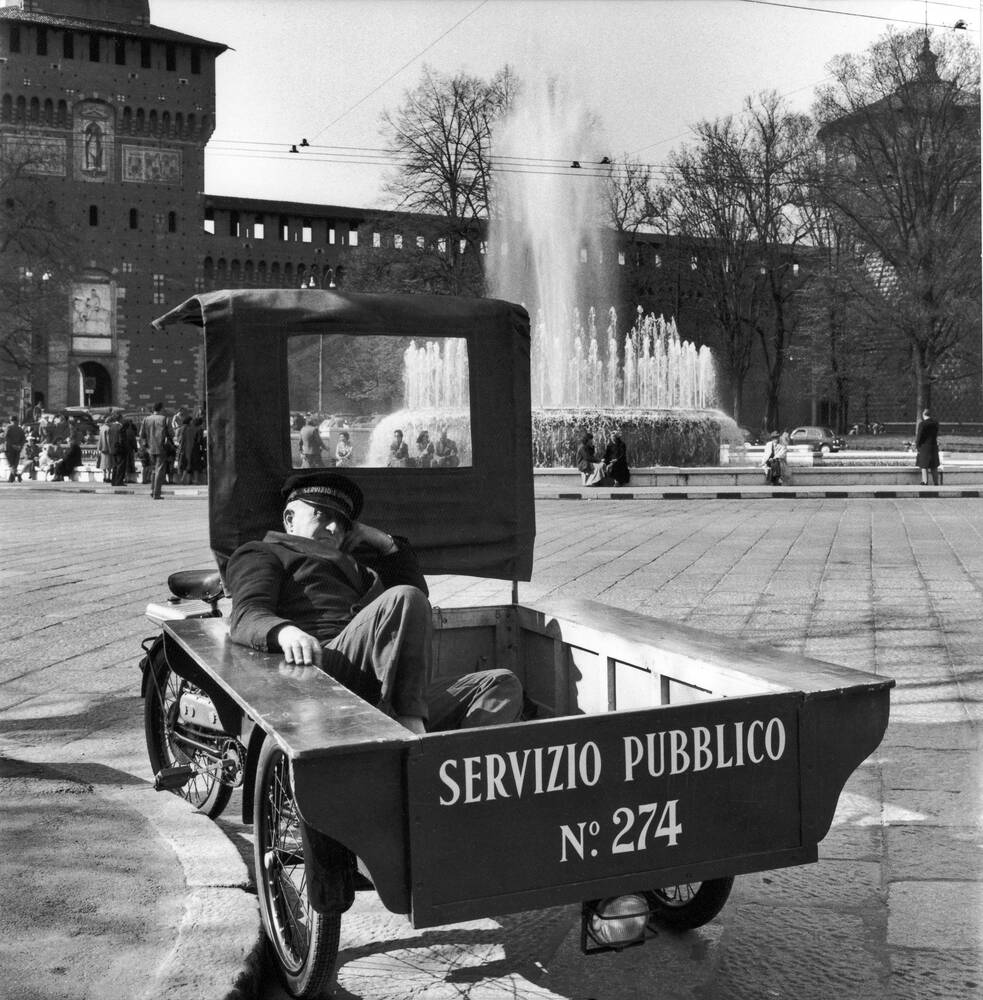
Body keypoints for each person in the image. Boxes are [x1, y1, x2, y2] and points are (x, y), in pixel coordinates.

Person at [225, 471, 523, 733]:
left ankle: (444, 765)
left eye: (343, 523)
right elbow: (246, 613)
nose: (334, 528)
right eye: (323, 515)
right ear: (290, 519)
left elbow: (417, 596)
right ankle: (412, 732)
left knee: (500, 685)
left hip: (380, 687)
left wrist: (384, 542)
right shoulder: (264, 552)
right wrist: (285, 631)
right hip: (322, 673)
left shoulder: (359, 569)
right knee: (404, 598)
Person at [139, 401, 174, 499]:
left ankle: (153, 490)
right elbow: (172, 434)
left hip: (150, 448)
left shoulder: (146, 419)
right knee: (159, 470)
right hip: (161, 447)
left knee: (154, 469)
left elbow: (141, 434)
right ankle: (156, 493)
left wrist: (145, 445)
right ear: (161, 409)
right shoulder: (164, 419)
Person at [915, 408, 940, 486]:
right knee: (934, 466)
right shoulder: (936, 423)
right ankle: (936, 482)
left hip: (924, 447)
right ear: (930, 415)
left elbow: (919, 436)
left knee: (924, 465)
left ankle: (925, 481)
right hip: (934, 446)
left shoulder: (922, 424)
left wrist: (917, 445)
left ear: (923, 415)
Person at [97, 413, 120, 483]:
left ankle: (104, 476)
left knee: (103, 464)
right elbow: (108, 440)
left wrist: (99, 448)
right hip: (107, 449)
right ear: (110, 422)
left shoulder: (102, 428)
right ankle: (108, 477)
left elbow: (99, 439)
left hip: (102, 448)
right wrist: (111, 449)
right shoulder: (108, 429)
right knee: (109, 464)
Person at [3, 415, 26, 483]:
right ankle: (11, 479)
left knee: (11, 464)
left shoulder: (9, 427)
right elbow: (23, 439)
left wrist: (13, 445)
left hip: (9, 448)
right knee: (15, 464)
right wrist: (20, 446)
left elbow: (6, 437)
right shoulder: (20, 429)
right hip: (17, 448)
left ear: (11, 420)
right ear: (17, 421)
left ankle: (17, 474)